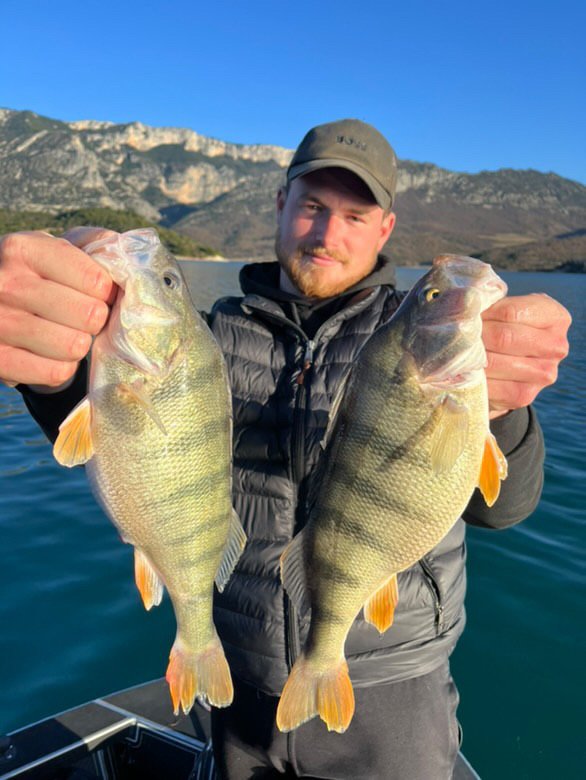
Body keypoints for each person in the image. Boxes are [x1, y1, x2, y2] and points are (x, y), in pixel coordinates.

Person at [0, 119, 571, 779]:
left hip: (395, 685)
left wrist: (501, 409)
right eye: (313, 206)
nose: (328, 233)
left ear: (386, 228)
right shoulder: (205, 338)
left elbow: (505, 506)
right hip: (239, 682)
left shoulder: (414, 342)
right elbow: (116, 430)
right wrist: (51, 361)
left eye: (355, 216)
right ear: (280, 202)